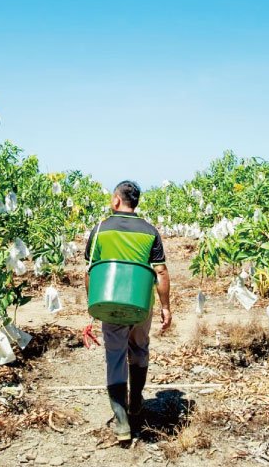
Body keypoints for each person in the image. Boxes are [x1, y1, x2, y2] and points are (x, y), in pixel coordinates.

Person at [84, 180, 171, 441]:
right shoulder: (150, 231)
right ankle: (136, 405)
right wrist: (166, 307)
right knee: (140, 349)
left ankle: (122, 423)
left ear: (116, 200)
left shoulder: (100, 230)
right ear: (136, 202)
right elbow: (161, 272)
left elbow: (91, 272)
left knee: (115, 355)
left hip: (110, 303)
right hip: (141, 304)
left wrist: (93, 304)